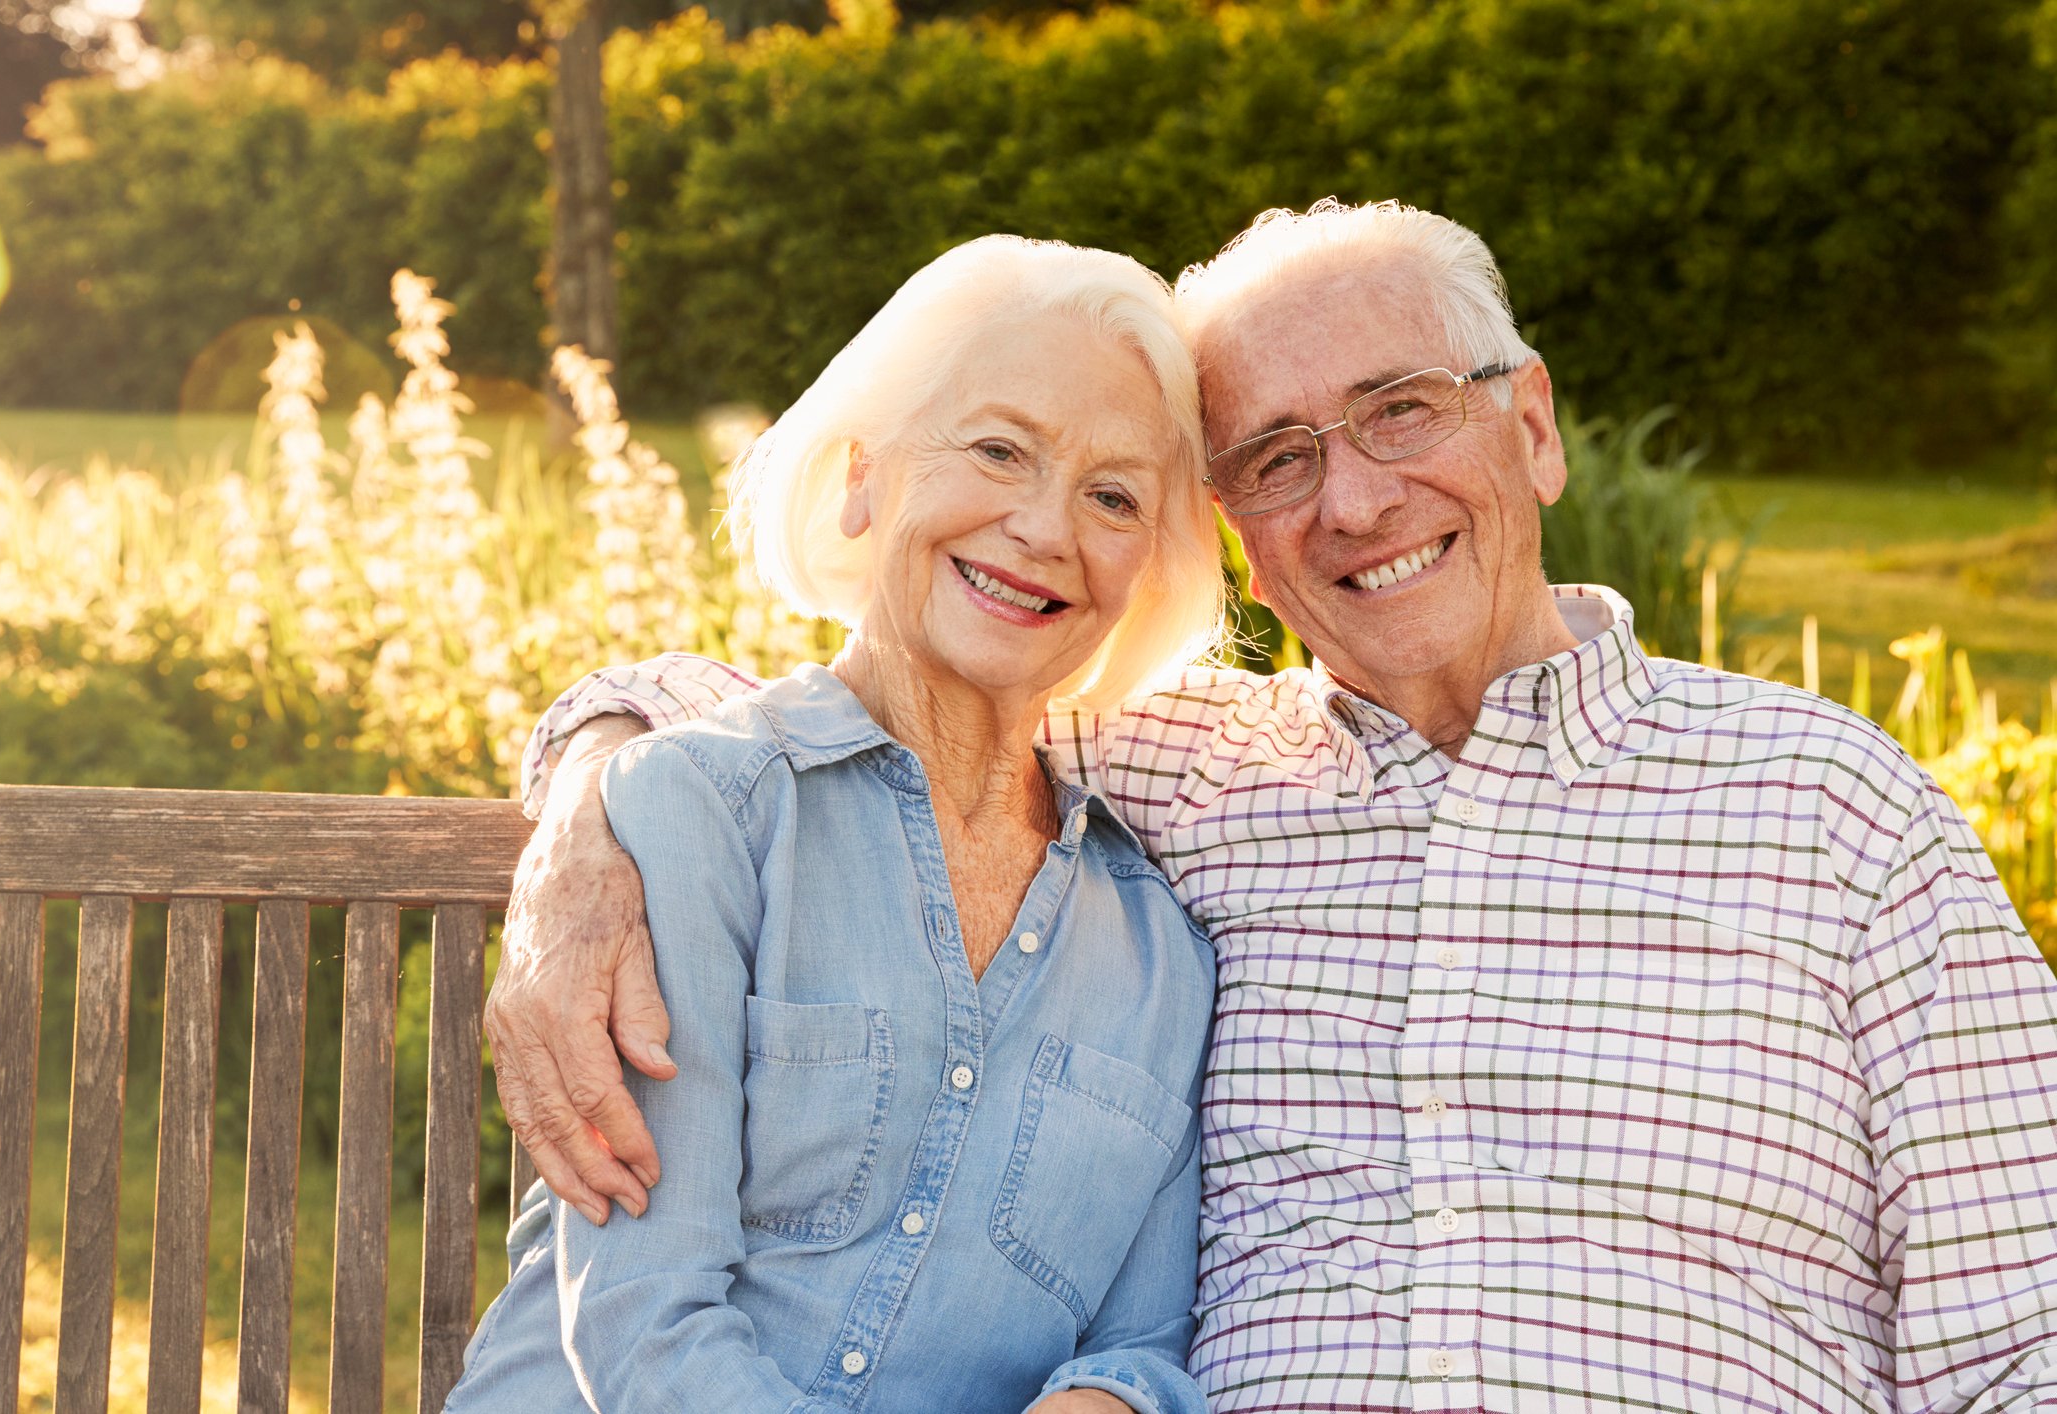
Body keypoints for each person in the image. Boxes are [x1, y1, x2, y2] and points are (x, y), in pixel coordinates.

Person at [493, 200, 2057, 1411]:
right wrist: (584, 821)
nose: (1355, 499)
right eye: (1281, 456)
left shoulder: (1834, 810)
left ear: (1531, 422)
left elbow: (2026, 1333)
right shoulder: (1191, 774)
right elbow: (861, 703)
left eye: (1401, 412)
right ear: (1234, 531)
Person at [448, 235, 1230, 1414]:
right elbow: (642, 1322)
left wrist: (1114, 1399)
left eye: (1112, 496)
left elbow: (1140, 1343)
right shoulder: (704, 809)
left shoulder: (1160, 950)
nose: (1042, 526)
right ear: (865, 477)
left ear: (1147, 569)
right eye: (998, 449)